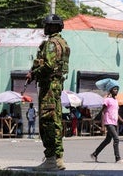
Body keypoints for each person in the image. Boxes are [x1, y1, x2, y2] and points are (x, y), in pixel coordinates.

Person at [26, 14, 70, 170]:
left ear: (54, 26)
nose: (44, 27)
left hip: (49, 86)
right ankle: (58, 159)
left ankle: (50, 159)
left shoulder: (51, 43)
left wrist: (34, 73)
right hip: (57, 85)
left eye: (47, 25)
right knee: (56, 120)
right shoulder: (63, 43)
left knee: (47, 121)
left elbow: (49, 66)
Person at [90, 78, 123, 164]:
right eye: (114, 89)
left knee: (107, 140)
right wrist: (102, 126)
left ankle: (95, 154)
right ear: (110, 90)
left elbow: (116, 113)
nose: (116, 90)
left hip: (114, 123)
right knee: (116, 139)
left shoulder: (116, 101)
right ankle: (118, 159)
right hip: (108, 123)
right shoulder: (107, 100)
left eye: (117, 89)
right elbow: (103, 112)